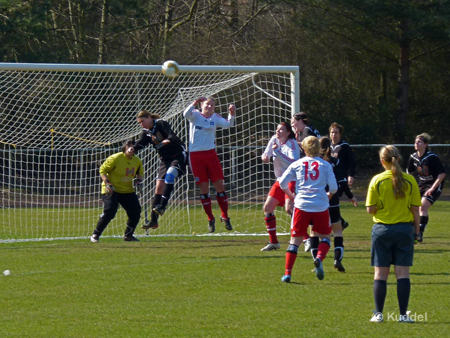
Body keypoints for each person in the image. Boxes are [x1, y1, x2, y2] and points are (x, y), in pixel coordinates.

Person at [366, 145, 421, 323]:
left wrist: (381, 208)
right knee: (403, 274)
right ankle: (403, 315)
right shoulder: (410, 180)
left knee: (380, 274)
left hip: (382, 230)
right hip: (404, 230)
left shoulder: (377, 180)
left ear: (382, 161)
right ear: (399, 158)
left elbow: (370, 209)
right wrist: (417, 232)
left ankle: (378, 315)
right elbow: (415, 210)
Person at [279, 136, 337, 282]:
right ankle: (319, 257)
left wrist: (292, 197)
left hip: (302, 205)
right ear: (319, 149)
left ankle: (287, 274)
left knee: (295, 242)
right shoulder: (325, 165)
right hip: (320, 206)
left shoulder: (298, 164)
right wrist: (328, 195)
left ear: (304, 149)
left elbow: (282, 183)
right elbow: (334, 187)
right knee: (325, 237)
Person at [183, 97, 236, 233]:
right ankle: (210, 218)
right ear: (201, 105)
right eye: (207, 104)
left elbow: (228, 124)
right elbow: (185, 114)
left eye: (212, 105)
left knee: (220, 186)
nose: (210, 107)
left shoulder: (215, 118)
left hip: (211, 155)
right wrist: (194, 102)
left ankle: (224, 216)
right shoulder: (194, 115)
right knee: (204, 188)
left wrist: (231, 114)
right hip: (196, 156)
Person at [130, 110, 188, 231]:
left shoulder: (161, 123)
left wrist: (168, 140)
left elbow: (171, 135)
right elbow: (141, 143)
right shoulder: (146, 132)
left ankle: (162, 206)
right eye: (139, 123)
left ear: (149, 117)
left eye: (142, 121)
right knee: (159, 187)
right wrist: (133, 149)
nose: (141, 124)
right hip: (165, 159)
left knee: (170, 175)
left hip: (177, 154)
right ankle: (153, 221)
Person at [308, 137, 358, 272]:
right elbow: (342, 182)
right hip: (333, 201)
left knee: (314, 232)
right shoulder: (335, 162)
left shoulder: (313, 163)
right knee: (337, 231)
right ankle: (337, 259)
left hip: (317, 202)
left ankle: (316, 261)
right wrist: (351, 197)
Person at [91, 140, 144, 242]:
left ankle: (128, 235)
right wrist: (107, 182)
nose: (131, 148)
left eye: (133, 146)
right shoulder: (115, 158)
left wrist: (138, 181)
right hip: (112, 189)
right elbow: (102, 170)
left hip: (127, 190)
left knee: (135, 211)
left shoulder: (137, 161)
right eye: (129, 146)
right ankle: (95, 234)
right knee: (110, 211)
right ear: (124, 147)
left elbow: (140, 173)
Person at [260, 122, 300, 251]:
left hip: (291, 179)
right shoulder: (274, 139)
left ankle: (306, 239)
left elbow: (293, 162)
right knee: (268, 207)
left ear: (288, 132)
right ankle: (274, 242)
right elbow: (266, 153)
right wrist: (265, 157)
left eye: (281, 130)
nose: (278, 132)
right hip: (280, 180)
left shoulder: (292, 143)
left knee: (290, 209)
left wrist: (277, 151)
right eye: (277, 129)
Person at [406, 133, 446, 243]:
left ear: (426, 145)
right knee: (412, 206)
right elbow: (409, 173)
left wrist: (432, 188)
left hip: (434, 185)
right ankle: (412, 231)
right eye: (415, 142)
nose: (416, 143)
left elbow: (442, 174)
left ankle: (419, 234)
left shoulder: (432, 157)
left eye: (419, 142)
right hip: (422, 184)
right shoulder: (413, 157)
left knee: (422, 207)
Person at [290, 112, 321, 251]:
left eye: (294, 122)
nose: (293, 124)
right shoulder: (309, 130)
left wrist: (291, 141)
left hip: (312, 168)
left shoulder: (307, 131)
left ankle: (308, 237)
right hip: (315, 167)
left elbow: (309, 147)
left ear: (301, 121)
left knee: (303, 205)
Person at [329, 122, 356, 230]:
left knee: (332, 202)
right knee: (330, 203)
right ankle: (341, 222)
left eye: (336, 132)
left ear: (340, 134)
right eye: (332, 132)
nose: (334, 135)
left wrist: (351, 175)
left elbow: (352, 162)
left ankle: (337, 224)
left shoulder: (344, 146)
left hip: (340, 179)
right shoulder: (327, 146)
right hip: (329, 180)